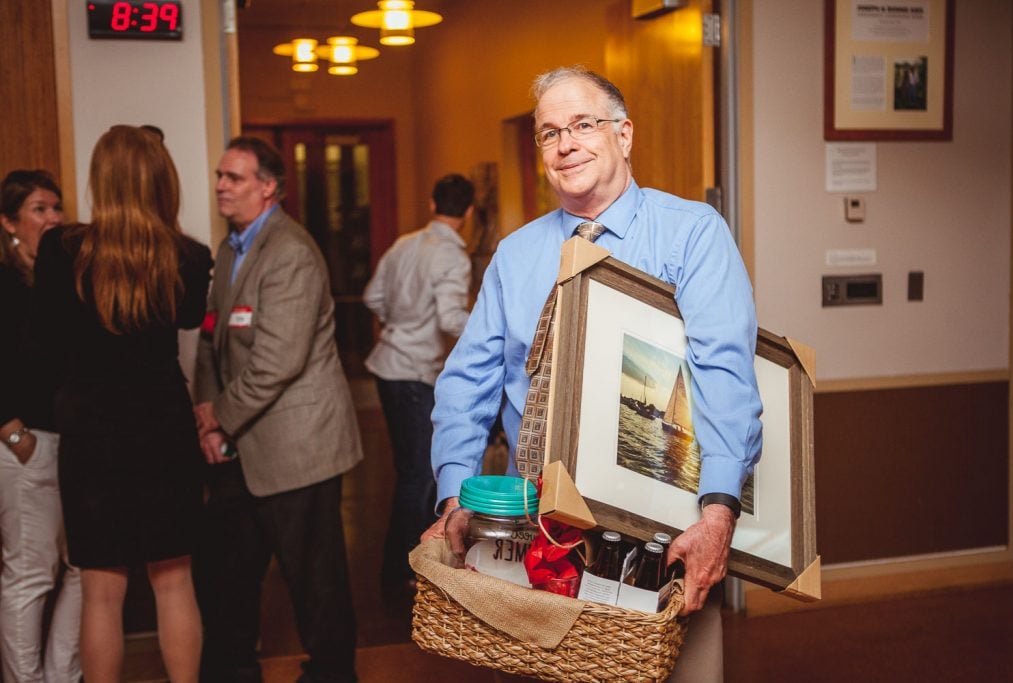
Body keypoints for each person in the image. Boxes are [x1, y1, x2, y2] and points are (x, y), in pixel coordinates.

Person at [421, 66, 763, 682]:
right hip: (532, 534)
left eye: (583, 124)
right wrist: (455, 497)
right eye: (549, 133)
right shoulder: (517, 254)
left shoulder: (692, 236)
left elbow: (724, 376)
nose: (566, 143)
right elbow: (466, 384)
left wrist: (717, 514)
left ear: (624, 135)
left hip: (661, 536)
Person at [31, 126, 212, 682]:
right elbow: (187, 319)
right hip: (161, 423)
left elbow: (47, 338)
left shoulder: (61, 249)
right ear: (162, 178)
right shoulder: (187, 254)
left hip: (91, 428)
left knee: (101, 591)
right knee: (174, 580)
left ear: (99, 179)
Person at [193, 136, 363, 683]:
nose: (221, 185)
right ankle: (237, 669)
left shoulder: (290, 252)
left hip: (299, 445)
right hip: (241, 441)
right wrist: (205, 410)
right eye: (220, 175)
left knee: (316, 582)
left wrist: (219, 416)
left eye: (234, 177)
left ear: (268, 187)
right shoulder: (232, 247)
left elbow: (277, 361)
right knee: (231, 576)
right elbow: (209, 336)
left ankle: (333, 674)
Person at [363, 173, 475, 591]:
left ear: (432, 204)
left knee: (408, 471)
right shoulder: (453, 257)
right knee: (419, 474)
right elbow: (449, 318)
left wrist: (401, 324)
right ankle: (404, 568)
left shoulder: (404, 244)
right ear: (468, 212)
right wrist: (488, 332)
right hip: (414, 372)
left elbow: (373, 296)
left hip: (387, 366)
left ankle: (398, 566)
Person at [0, 169, 82, 682]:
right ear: (10, 223)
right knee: (30, 575)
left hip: (76, 442)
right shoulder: (4, 283)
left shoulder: (63, 280)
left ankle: (62, 676)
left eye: (56, 207)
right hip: (25, 445)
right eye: (39, 209)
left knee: (85, 567)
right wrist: (14, 436)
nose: (52, 218)